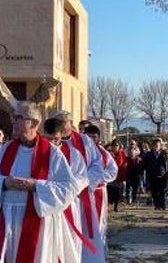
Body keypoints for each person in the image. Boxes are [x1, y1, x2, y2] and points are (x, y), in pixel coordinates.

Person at [0, 102, 80, 263]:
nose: (13, 121)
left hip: (37, 222)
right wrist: (5, 182)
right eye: (14, 117)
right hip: (8, 220)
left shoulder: (51, 153)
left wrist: (36, 186)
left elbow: (69, 188)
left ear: (34, 123)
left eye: (18, 117)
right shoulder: (6, 150)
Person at [54, 111, 106, 263]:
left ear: (71, 123)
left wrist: (82, 182)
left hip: (80, 197)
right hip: (58, 196)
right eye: (57, 122)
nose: (59, 126)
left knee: (82, 230)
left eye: (62, 122)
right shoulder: (49, 141)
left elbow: (97, 164)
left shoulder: (85, 141)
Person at [43, 116, 91, 261]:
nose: (53, 143)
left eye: (57, 139)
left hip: (68, 203)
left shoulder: (73, 154)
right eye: (49, 139)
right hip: (45, 204)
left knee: (69, 242)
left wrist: (66, 189)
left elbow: (83, 177)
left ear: (61, 136)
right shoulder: (37, 152)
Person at [84, 125, 118, 251]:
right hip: (80, 193)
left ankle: (98, 251)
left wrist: (95, 178)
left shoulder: (104, 154)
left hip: (98, 191)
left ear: (98, 138)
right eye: (89, 137)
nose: (91, 139)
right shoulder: (77, 151)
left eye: (94, 137)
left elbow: (113, 172)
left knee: (98, 223)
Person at [143, 138, 168, 210]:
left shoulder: (165, 154)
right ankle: (157, 205)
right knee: (154, 192)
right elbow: (144, 165)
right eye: (155, 145)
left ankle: (163, 205)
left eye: (158, 145)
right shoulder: (148, 155)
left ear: (160, 146)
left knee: (163, 191)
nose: (156, 147)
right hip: (152, 176)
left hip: (163, 176)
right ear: (153, 146)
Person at [107, 139, 127, 212]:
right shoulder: (108, 153)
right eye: (113, 145)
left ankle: (117, 205)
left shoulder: (122, 154)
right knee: (110, 191)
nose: (115, 147)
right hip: (110, 176)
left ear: (119, 147)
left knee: (118, 192)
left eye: (117, 145)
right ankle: (108, 204)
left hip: (119, 176)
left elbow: (124, 163)